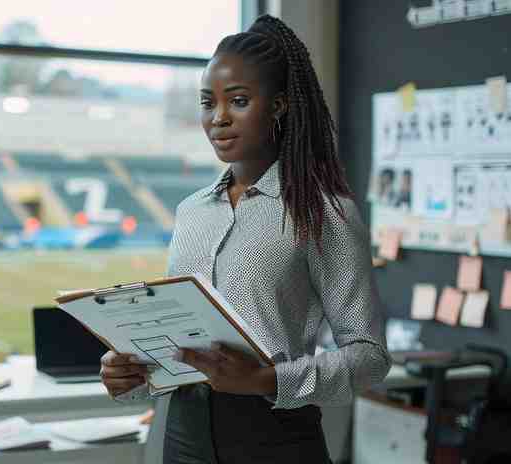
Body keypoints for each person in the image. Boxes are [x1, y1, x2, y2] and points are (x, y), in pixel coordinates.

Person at [99, 14, 391, 463]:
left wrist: (264, 380)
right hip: (182, 436)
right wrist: (134, 375)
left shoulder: (323, 214)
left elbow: (369, 358)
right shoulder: (191, 212)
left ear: (278, 106)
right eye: (207, 102)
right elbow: (177, 343)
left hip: (274, 438)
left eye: (237, 101)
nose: (218, 119)